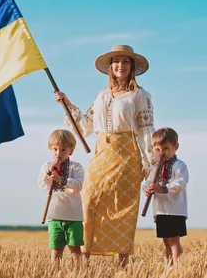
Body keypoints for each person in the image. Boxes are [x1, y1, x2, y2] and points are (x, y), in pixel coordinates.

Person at [54, 44, 155, 267]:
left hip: (127, 155)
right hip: (101, 154)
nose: (120, 65)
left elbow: (146, 130)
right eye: (116, 61)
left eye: (125, 61)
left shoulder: (141, 95)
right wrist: (67, 104)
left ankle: (123, 263)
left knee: (123, 207)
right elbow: (87, 126)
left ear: (132, 67)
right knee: (90, 200)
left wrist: (150, 163)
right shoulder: (102, 95)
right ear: (110, 67)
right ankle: (84, 260)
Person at [142, 127, 189, 267]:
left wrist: (163, 189)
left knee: (174, 240)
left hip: (175, 210)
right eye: (158, 149)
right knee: (166, 241)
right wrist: (147, 189)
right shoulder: (156, 167)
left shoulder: (179, 165)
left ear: (176, 147)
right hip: (160, 210)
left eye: (166, 148)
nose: (161, 152)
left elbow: (180, 183)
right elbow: (148, 182)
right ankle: (169, 267)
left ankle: (178, 268)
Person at [38, 129, 85, 265]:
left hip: (73, 215)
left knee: (75, 247)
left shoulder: (76, 167)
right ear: (50, 150)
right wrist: (49, 173)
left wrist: (62, 180)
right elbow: (42, 184)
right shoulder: (47, 166)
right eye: (55, 149)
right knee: (56, 248)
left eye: (63, 150)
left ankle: (79, 271)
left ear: (71, 150)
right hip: (55, 214)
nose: (58, 153)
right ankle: (55, 271)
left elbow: (77, 186)